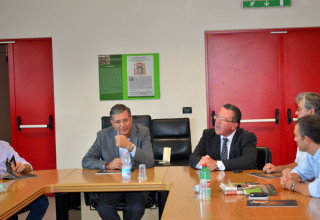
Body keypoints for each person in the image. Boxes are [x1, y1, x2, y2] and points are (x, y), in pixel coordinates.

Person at [82, 104, 154, 220]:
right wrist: (107, 165)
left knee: (136, 208)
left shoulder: (143, 132)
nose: (122, 125)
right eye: (118, 122)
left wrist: (129, 146)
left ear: (131, 119)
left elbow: (149, 161)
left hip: (135, 184)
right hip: (112, 184)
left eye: (125, 120)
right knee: (104, 208)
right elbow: (86, 161)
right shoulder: (103, 135)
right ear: (112, 123)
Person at [263, 92, 320, 174]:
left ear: (311, 111)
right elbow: (299, 164)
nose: (296, 113)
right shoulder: (303, 132)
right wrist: (277, 168)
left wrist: (295, 178)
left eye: (299, 109)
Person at [189, 104, 257, 171]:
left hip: (237, 179)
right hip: (215, 179)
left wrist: (217, 164)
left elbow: (249, 160)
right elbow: (193, 157)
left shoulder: (246, 137)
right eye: (217, 117)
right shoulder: (208, 135)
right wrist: (206, 164)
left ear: (234, 125)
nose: (217, 122)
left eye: (223, 119)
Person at [0, 140, 49, 220]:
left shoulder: (4, 145)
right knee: (7, 211)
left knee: (41, 202)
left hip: (9, 192)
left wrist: (23, 166)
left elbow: (28, 165)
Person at [280, 115, 320, 198]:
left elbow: (317, 189)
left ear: (306, 139)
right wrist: (290, 177)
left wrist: (293, 185)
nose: (294, 139)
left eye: (296, 136)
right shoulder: (311, 154)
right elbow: (301, 171)